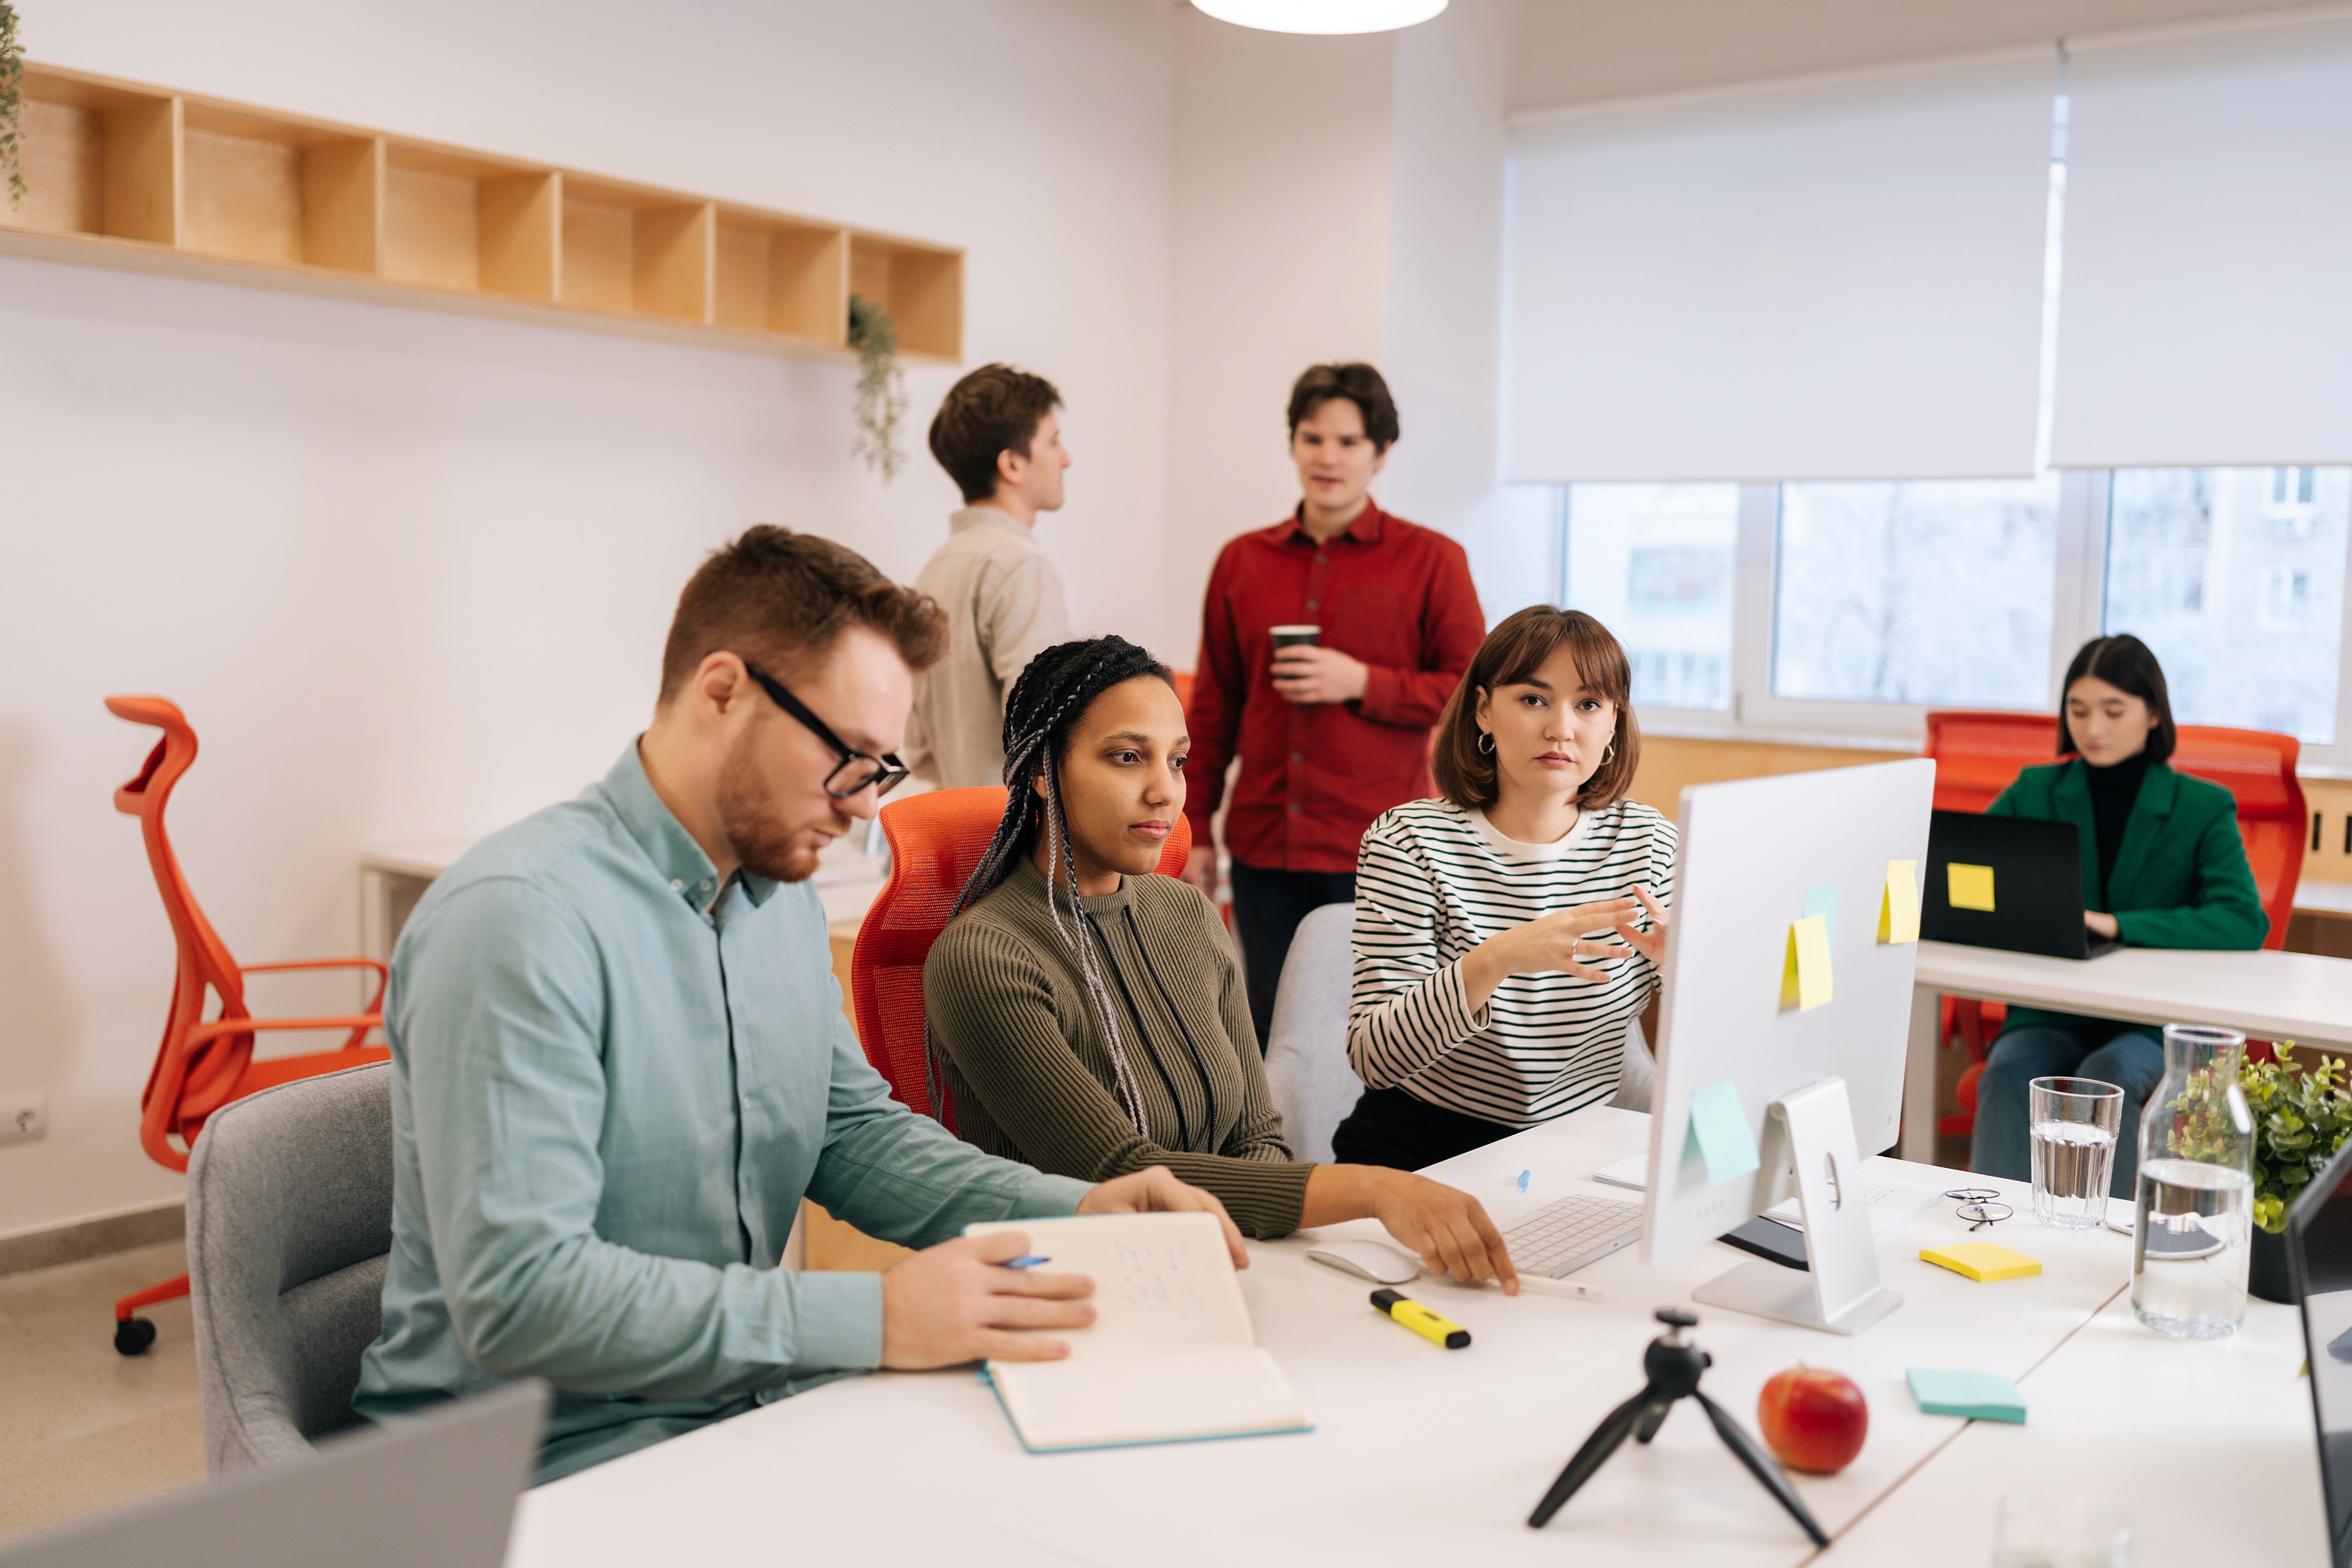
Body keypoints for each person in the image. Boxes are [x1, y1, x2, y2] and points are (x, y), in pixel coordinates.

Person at [355, 527, 1240, 1481]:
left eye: (882, 768)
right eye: (847, 756)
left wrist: (1077, 1208)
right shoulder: (519, 920)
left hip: (733, 1412)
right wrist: (877, 1316)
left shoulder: (774, 901)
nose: (867, 808)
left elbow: (850, 1134)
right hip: (520, 1474)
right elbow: (521, 1297)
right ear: (722, 691)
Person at [921, 634, 1519, 1288]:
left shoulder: (1187, 913)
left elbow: (1258, 1134)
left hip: (1220, 1267)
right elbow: (1118, 1173)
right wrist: (1374, 1190)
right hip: (1072, 1288)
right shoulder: (984, 956)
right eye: (1126, 757)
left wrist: (1247, 1261)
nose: (1164, 792)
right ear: (1041, 770)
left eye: (1176, 761)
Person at [1182, 362, 1485, 1051]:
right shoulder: (1241, 561)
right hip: (1262, 845)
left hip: (1376, 849)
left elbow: (1472, 692)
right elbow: (1212, 710)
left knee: (1372, 1039)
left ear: (1380, 453)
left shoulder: (1434, 560)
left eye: (1348, 442)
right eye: (1312, 437)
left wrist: (1360, 682)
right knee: (1268, 1034)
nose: (1327, 457)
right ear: (1292, 443)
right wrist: (1193, 826)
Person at [1333, 606, 1675, 1173]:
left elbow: (1715, 1048)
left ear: (1613, 724)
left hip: (1578, 1154)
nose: (1561, 728)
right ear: (1484, 711)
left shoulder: (1651, 845)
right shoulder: (1408, 841)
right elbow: (1374, 1058)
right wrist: (1496, 958)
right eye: (1533, 699)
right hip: (1421, 1150)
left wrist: (1685, 978)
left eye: (1588, 704)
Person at [1970, 634, 2267, 1195]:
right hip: (2050, 1007)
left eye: (2113, 710)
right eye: (2078, 710)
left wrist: (2119, 924)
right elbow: (1969, 868)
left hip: (2144, 1019)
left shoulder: (2202, 806)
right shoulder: (2036, 788)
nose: (2093, 728)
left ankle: (2107, 1253)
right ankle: (1993, 1234)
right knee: (2009, 1069)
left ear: (2153, 713)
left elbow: (2242, 919)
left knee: (2108, 1075)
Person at [903, 364, 1074, 789]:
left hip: (955, 832)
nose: (1066, 458)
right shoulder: (1019, 565)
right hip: (1014, 835)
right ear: (1013, 464)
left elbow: (917, 746)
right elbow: (1043, 733)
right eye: (1053, 442)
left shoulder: (936, 569)